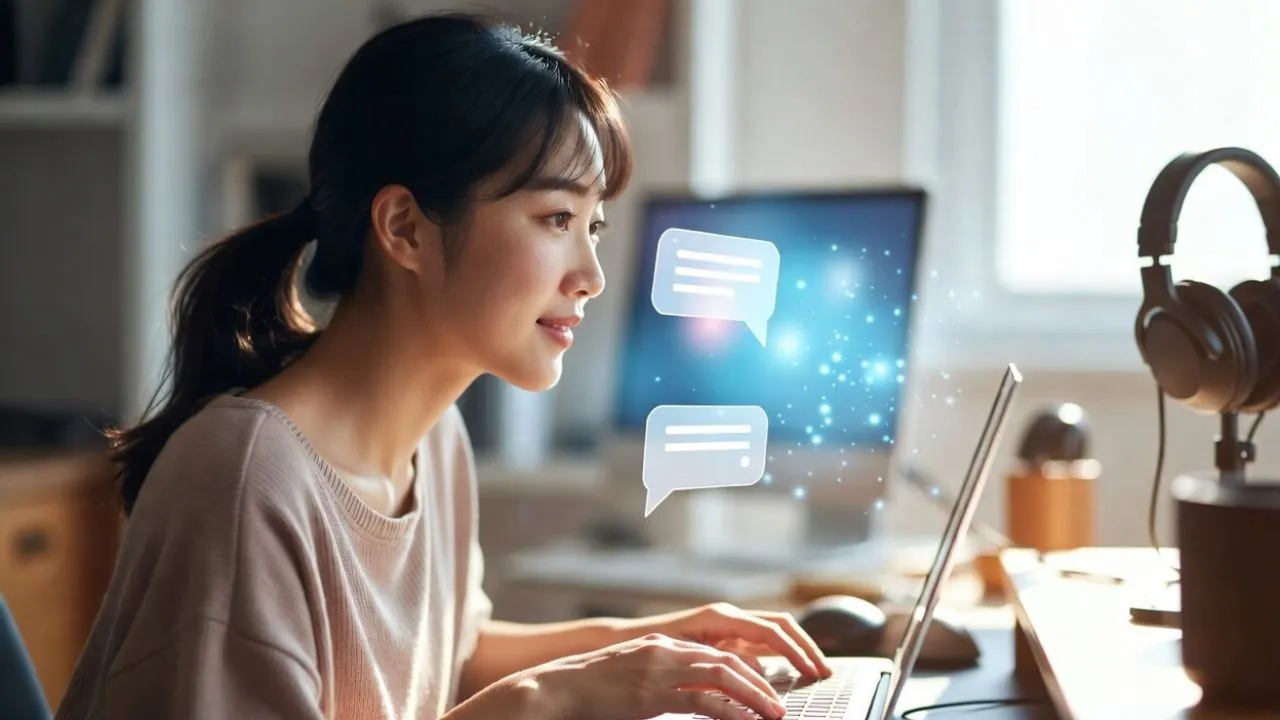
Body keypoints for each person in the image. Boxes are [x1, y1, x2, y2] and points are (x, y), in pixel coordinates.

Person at [56, 12, 832, 720]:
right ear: (405, 228)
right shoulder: (248, 476)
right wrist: (542, 699)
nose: (592, 273)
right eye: (557, 219)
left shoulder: (435, 442)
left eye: (593, 225)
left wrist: (667, 642)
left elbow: (452, 658)